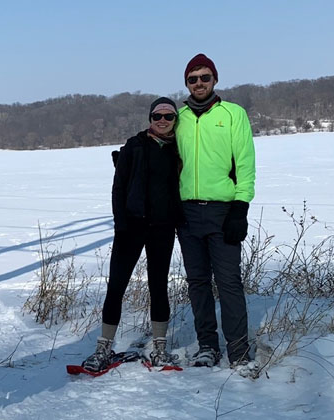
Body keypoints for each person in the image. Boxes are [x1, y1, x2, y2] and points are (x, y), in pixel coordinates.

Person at [82, 97, 185, 372]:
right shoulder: (134, 146)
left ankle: (160, 348)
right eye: (157, 116)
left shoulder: (179, 150)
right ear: (149, 118)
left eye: (168, 116)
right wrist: (121, 223)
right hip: (131, 227)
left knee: (158, 286)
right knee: (116, 286)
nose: (162, 121)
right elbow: (118, 188)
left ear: (175, 119)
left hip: (162, 229)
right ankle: (103, 347)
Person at [173, 53, 258, 376]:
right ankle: (207, 346)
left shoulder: (233, 114)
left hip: (223, 211)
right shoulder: (179, 117)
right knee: (197, 282)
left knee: (229, 282)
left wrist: (241, 206)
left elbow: (246, 163)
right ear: (187, 83)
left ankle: (238, 350)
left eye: (204, 78)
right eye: (193, 79)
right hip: (187, 212)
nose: (199, 84)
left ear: (215, 80)